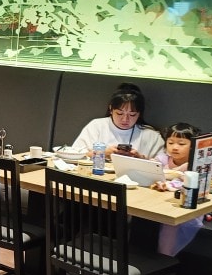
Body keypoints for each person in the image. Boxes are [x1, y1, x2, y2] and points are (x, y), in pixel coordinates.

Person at [151, 122, 204, 256]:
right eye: (170, 142)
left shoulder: (196, 164)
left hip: (185, 207)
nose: (175, 147)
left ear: (192, 145)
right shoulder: (163, 159)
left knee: (170, 222)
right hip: (159, 204)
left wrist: (173, 180)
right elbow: (150, 169)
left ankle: (165, 257)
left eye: (181, 144)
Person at [73, 82, 163, 159]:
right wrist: (102, 154)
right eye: (120, 113)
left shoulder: (151, 135)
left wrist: (140, 158)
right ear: (111, 109)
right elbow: (75, 155)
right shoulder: (96, 126)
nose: (125, 119)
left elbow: (164, 166)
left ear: (139, 113)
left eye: (132, 114)